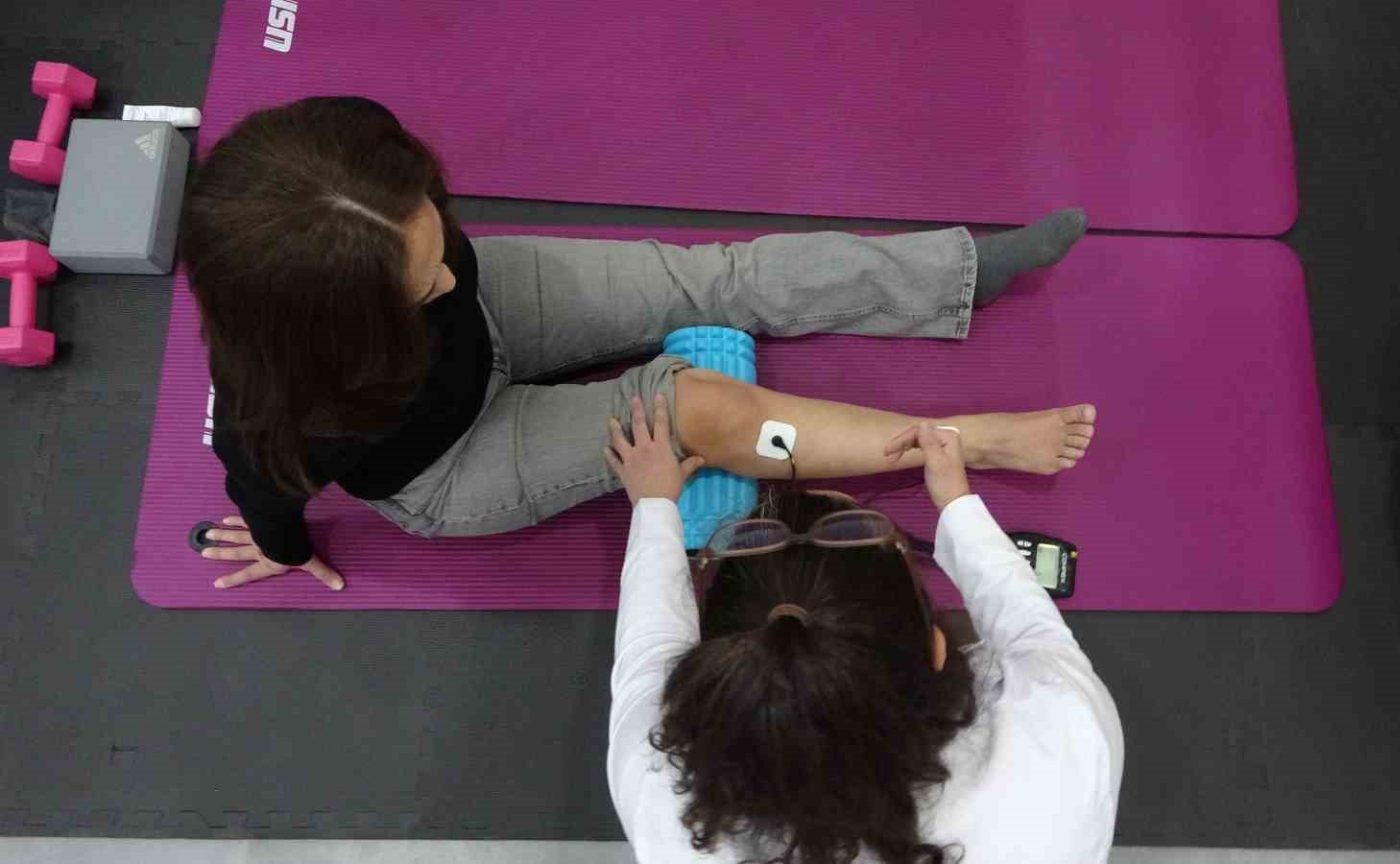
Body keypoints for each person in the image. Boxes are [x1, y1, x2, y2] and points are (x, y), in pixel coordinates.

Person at [183, 96, 1096, 591]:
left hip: (499, 325)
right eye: (423, 284)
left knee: (715, 278)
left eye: (436, 236)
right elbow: (263, 492)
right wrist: (282, 547)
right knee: (699, 408)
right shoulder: (280, 418)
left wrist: (443, 276)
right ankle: (959, 443)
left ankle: (955, 274)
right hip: (454, 463)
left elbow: (451, 275)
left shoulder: (393, 228)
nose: (445, 276)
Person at [604, 399, 1123, 863]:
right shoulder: (1062, 739)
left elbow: (648, 655)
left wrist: (653, 503)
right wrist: (958, 505)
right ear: (936, 648)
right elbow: (1033, 633)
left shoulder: (667, 798)